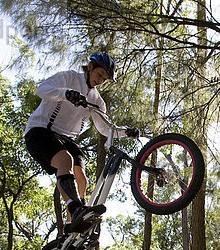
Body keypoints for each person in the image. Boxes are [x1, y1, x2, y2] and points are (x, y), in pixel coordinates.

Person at [24, 52, 139, 233]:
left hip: (67, 138)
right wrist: (66, 94)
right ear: (90, 67)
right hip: (41, 130)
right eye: (100, 75)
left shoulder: (97, 101)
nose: (101, 80)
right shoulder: (68, 77)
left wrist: (126, 131)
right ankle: (74, 208)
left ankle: (72, 225)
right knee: (65, 161)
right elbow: (42, 90)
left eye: (105, 79)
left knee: (81, 178)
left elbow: (105, 128)